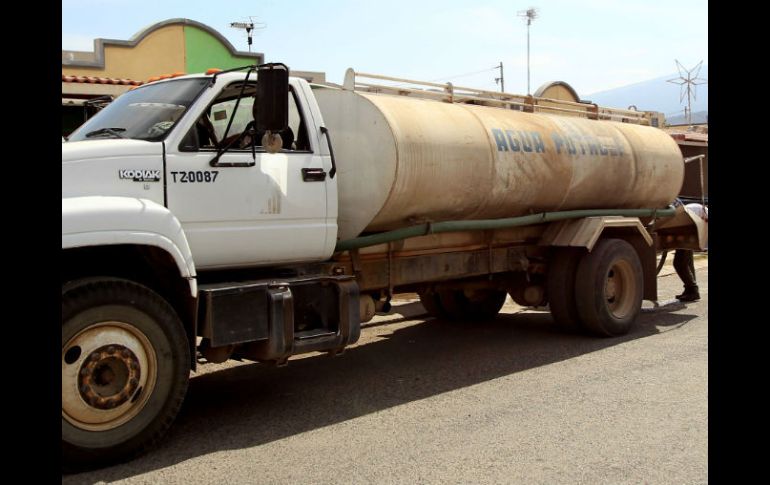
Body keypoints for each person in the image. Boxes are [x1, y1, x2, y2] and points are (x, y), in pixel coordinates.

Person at [673, 202, 708, 302]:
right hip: (690, 225)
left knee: (679, 263)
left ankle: (693, 290)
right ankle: (690, 290)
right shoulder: (680, 208)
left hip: (691, 226)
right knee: (687, 261)